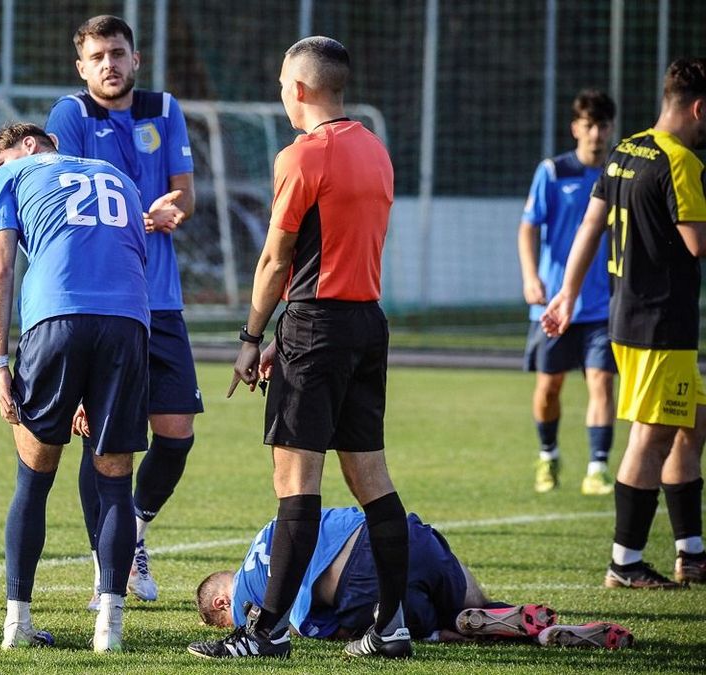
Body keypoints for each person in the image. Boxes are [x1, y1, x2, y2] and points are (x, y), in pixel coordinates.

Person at [190, 37, 410, 661]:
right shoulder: (376, 149)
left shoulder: (302, 156)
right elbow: (334, 253)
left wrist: (252, 336)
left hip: (315, 330)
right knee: (372, 479)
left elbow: (276, 259)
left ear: (302, 89)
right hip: (367, 323)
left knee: (295, 485)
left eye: (284, 85)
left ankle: (267, 632)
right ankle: (390, 629)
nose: (281, 96)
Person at [46, 14, 199, 606]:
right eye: (97, 57)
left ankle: (133, 528)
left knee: (177, 432)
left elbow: (186, 192)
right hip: (104, 301)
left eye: (118, 52)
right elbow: (72, 208)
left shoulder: (164, 108)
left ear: (135, 58)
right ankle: (104, 563)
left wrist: (174, 208)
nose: (109, 64)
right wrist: (143, 218)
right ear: (81, 68)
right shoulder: (72, 116)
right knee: (104, 438)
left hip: (160, 302)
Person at [0, 123, 149, 652]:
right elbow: (130, 258)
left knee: (33, 480)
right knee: (116, 483)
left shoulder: (12, 174)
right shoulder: (119, 176)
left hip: (55, 319)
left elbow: (1, 270)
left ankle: (17, 623)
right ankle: (110, 630)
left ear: (28, 146)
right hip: (128, 323)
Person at [542, 57, 706, 588]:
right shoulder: (680, 162)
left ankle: (692, 552)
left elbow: (591, 224)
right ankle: (626, 562)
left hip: (626, 317)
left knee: (693, 422)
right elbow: (697, 242)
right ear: (699, 108)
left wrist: (566, 293)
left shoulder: (625, 151)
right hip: (661, 323)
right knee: (651, 437)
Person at [194, 507, 634, 650]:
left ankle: (456, 631)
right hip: (399, 532)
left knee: (390, 627)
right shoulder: (268, 529)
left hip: (362, 580)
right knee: (470, 598)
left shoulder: (254, 602)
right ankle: (518, 623)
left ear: (220, 605)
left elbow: (320, 624)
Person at [519, 90, 618, 496]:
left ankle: (597, 467)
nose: (596, 134)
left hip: (602, 303)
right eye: (589, 126)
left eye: (603, 126)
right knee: (549, 387)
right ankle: (548, 454)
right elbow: (528, 226)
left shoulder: (618, 173)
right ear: (576, 127)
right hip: (555, 304)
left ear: (612, 128)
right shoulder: (554, 171)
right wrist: (530, 276)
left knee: (601, 382)